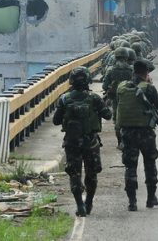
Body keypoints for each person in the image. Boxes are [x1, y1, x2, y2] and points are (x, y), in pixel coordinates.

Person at [53, 66, 112, 217]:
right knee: (91, 175)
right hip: (91, 143)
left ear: (71, 81)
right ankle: (89, 203)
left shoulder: (65, 99)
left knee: (74, 174)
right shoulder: (94, 98)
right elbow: (108, 115)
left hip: (72, 143)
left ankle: (80, 206)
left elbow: (56, 121)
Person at [116, 60, 158, 211]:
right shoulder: (148, 88)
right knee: (150, 164)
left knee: (130, 167)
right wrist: (150, 84)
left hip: (128, 133)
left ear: (133, 72)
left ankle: (132, 202)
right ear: (146, 73)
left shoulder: (122, 87)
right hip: (146, 133)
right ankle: (151, 199)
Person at [102, 47, 134, 147]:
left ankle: (120, 142)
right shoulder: (131, 69)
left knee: (117, 119)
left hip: (116, 98)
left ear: (115, 57)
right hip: (130, 98)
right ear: (126, 56)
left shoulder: (111, 70)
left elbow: (104, 86)